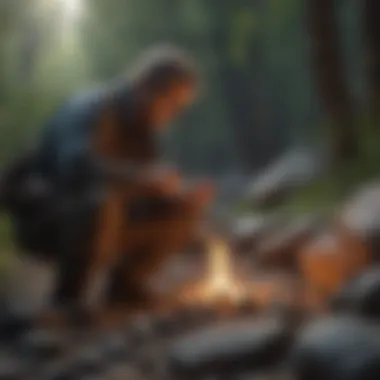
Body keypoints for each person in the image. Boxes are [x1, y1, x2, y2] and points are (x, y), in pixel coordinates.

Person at [1, 45, 214, 314]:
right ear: (146, 89)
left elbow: (145, 192)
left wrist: (179, 195)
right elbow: (75, 169)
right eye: (172, 103)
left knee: (184, 210)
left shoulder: (144, 133)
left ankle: (125, 287)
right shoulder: (89, 108)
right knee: (101, 202)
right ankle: (68, 298)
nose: (174, 114)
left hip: (105, 221)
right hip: (48, 218)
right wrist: (142, 178)